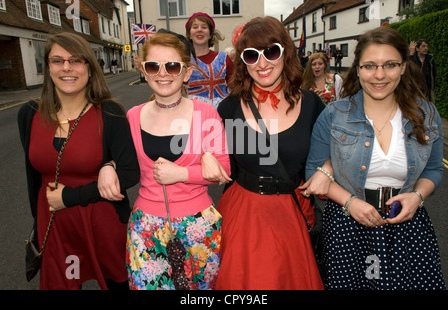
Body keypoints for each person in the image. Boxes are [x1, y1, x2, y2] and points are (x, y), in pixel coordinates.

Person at [303, 26, 445, 290]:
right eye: (370, 66)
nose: (379, 75)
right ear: (357, 69)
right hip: (348, 227)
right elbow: (313, 169)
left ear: (403, 67)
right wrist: (351, 203)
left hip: (408, 226)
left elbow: (435, 169)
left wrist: (417, 196)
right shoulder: (334, 115)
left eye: (390, 65)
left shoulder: (426, 113)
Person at [201, 16, 326, 290]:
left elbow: (337, 149)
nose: (262, 63)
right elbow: (203, 149)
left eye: (271, 51)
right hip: (243, 216)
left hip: (291, 215)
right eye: (251, 55)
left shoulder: (312, 104)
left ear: (286, 52)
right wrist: (205, 154)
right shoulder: (229, 109)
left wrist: (326, 169)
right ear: (243, 62)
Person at [99, 32, 230, 290]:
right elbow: (122, 161)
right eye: (153, 66)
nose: (163, 73)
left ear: (187, 73)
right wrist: (107, 166)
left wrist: (181, 173)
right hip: (145, 227)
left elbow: (224, 169)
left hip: (198, 226)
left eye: (172, 66)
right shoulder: (133, 116)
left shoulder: (206, 114)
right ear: (144, 72)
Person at [17, 32, 140, 290]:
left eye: (75, 60)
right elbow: (32, 178)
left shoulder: (109, 112)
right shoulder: (28, 114)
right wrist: (38, 227)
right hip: (54, 225)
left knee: (116, 285)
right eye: (57, 61)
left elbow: (129, 173)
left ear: (89, 67)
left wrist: (70, 197)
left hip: (102, 222)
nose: (66, 68)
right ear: (47, 67)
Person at [185, 12, 234, 109]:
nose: (199, 30)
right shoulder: (184, 61)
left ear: (210, 34)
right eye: (195, 27)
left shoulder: (223, 58)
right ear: (189, 35)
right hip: (194, 112)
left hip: (223, 111)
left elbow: (236, 85)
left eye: (204, 27)